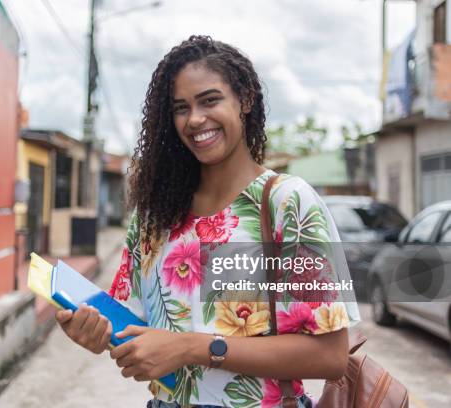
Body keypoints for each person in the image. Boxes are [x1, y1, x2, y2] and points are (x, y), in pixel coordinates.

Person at [55, 35, 360, 408]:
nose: (195, 119)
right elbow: (130, 323)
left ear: (245, 99)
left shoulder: (288, 204)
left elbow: (330, 356)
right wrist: (93, 331)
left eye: (210, 100)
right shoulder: (154, 216)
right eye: (181, 108)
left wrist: (192, 348)